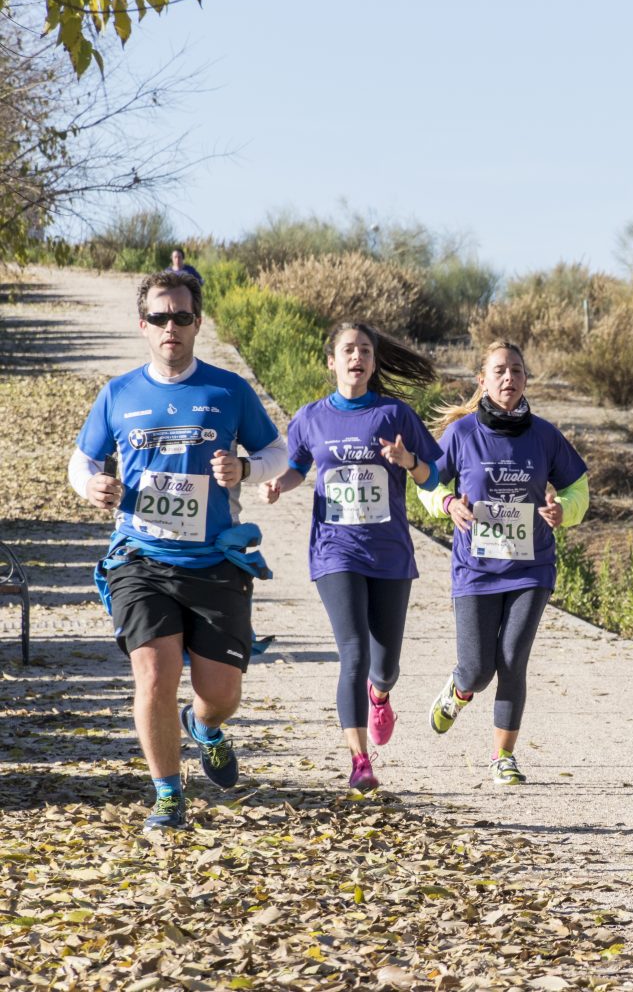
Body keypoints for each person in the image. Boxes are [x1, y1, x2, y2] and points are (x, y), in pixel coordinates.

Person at [70, 269, 287, 831]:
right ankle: (168, 793)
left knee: (221, 693)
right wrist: (90, 486)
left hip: (215, 560)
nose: (172, 327)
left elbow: (277, 453)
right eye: (160, 317)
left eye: (182, 317)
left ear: (197, 323)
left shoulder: (228, 390)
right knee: (154, 675)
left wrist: (245, 467)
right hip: (140, 559)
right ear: (143, 325)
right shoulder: (118, 394)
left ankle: (206, 725)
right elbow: (83, 461)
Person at [259, 322, 442, 792]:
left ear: (373, 363)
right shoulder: (311, 417)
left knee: (385, 665)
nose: (356, 357)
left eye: (364, 350)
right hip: (334, 551)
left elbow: (432, 476)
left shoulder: (395, 414)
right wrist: (280, 484)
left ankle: (380, 696)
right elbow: (298, 466)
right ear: (331, 361)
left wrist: (409, 463)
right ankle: (360, 760)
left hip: (390, 554)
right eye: (347, 350)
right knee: (354, 654)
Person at [419, 341, 588, 785]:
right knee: (478, 669)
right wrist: (448, 502)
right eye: (499, 371)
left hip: (531, 569)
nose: (508, 377)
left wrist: (563, 510)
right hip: (474, 570)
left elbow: (578, 489)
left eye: (516, 369)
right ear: (483, 381)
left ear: (526, 378)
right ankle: (457, 691)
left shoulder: (545, 436)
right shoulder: (462, 434)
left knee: (512, 661)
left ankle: (503, 757)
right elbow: (424, 484)